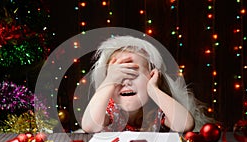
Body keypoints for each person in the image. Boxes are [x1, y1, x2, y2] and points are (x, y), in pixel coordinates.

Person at [81, 35, 213, 133]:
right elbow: (89, 126)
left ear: (152, 77)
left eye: (133, 74)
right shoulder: (110, 109)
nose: (125, 82)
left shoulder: (156, 108)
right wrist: (109, 82)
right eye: (117, 77)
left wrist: (153, 89)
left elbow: (185, 125)